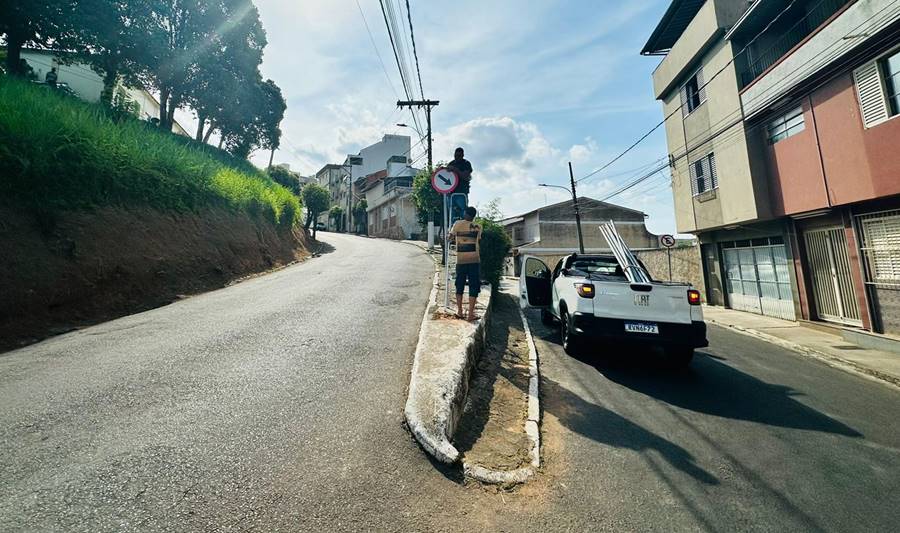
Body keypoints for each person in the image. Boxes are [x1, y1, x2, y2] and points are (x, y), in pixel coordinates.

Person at [449, 206, 482, 321]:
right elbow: (478, 240)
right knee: (474, 286)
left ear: (466, 213)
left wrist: (451, 237)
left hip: (461, 260)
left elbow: (450, 237)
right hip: (474, 260)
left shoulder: (457, 224)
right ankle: (471, 314)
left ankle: (460, 311)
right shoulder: (478, 227)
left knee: (459, 284)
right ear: (474, 216)